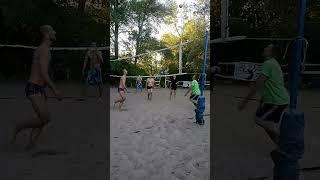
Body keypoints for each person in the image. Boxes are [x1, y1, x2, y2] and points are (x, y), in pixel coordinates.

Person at [11, 25, 62, 150]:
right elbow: (44, 73)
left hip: (39, 88)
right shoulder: (44, 50)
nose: (55, 32)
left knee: (41, 118)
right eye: (52, 31)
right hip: (33, 88)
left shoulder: (45, 49)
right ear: (46, 34)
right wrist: (54, 90)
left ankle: (31, 144)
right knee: (45, 118)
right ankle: (19, 126)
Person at [238, 44, 289, 145]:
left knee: (259, 120)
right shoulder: (272, 63)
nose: (265, 48)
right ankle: (280, 144)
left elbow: (258, 85)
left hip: (276, 101)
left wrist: (244, 102)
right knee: (269, 124)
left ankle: (284, 140)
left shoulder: (268, 64)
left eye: (267, 48)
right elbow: (266, 84)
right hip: (274, 100)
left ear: (271, 53)